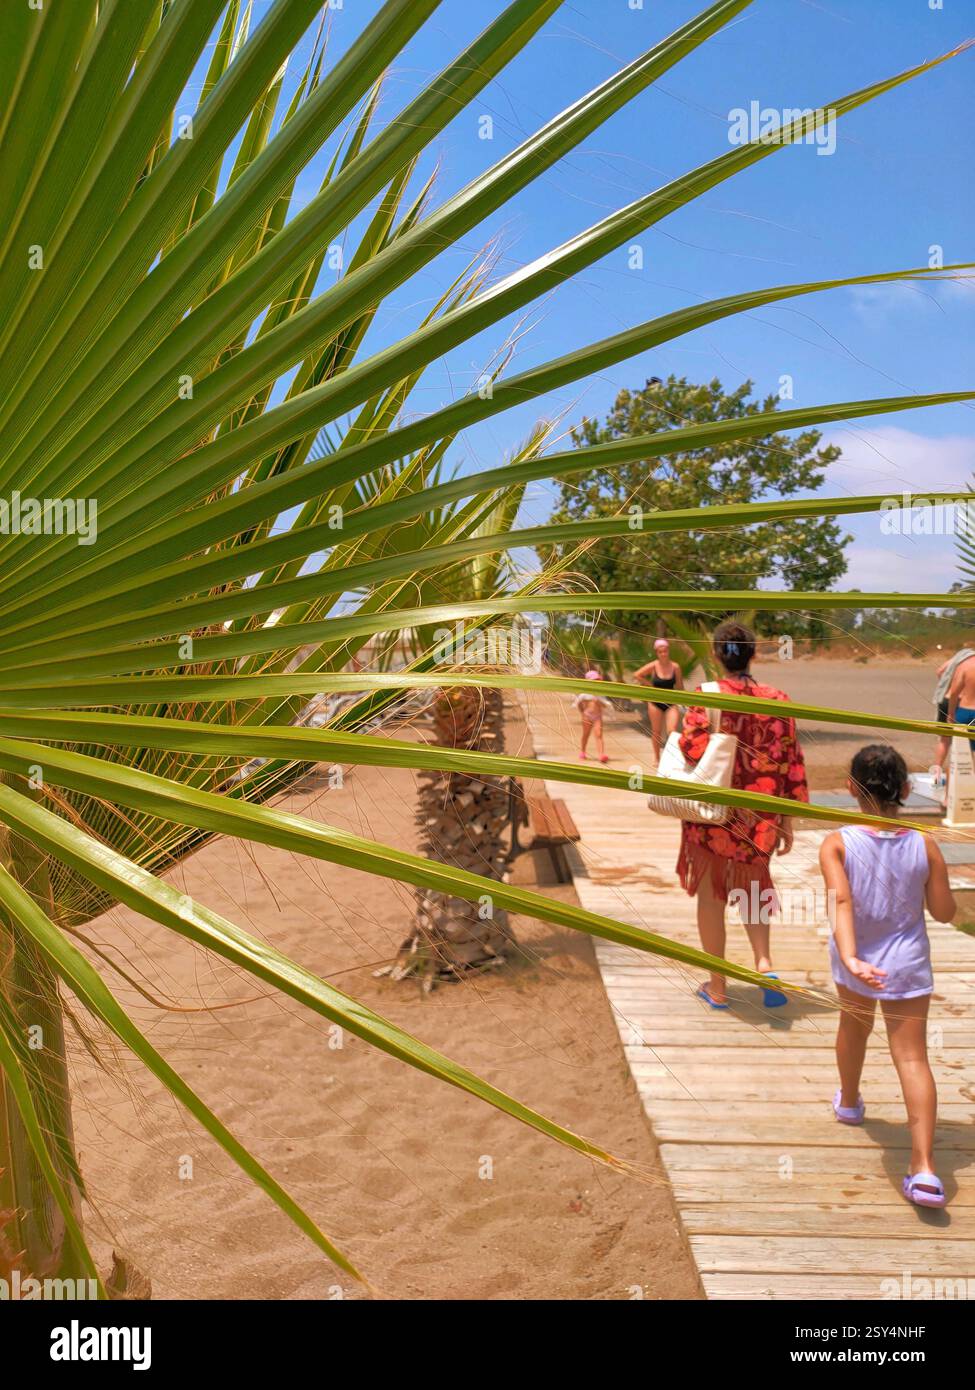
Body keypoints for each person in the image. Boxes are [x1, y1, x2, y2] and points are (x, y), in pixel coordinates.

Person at [819, 745, 955, 1208]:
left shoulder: (836, 842)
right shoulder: (925, 843)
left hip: (855, 958)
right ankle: (924, 1170)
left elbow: (841, 902)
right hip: (908, 962)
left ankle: (851, 1102)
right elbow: (942, 911)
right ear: (904, 790)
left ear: (850, 789)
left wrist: (853, 957)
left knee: (853, 1029)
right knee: (913, 1058)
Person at [675, 620, 808, 1009]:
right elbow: (792, 761)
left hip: (714, 815)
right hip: (760, 817)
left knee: (711, 898)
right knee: (753, 889)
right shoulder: (778, 699)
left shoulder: (707, 696)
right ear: (753, 654)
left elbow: (691, 749)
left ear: (717, 654)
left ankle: (717, 987)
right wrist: (787, 818)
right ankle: (764, 966)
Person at [633, 637, 684, 762]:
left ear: (668, 651)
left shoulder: (675, 667)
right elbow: (637, 674)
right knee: (656, 732)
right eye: (660, 652)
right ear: (657, 653)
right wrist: (649, 685)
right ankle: (657, 758)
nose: (663, 654)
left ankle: (672, 757)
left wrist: (685, 700)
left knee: (672, 731)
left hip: (671, 702)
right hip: (655, 702)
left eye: (665, 651)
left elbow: (680, 686)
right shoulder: (654, 665)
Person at [933, 646, 975, 777]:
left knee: (946, 742)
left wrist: (946, 686)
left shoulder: (962, 660)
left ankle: (936, 775)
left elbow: (940, 671)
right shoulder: (966, 662)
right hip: (962, 705)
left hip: (952, 702)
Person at [572, 667, 611, 763]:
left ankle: (601, 754)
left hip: (598, 716)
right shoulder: (585, 694)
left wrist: (599, 702)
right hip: (587, 716)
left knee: (599, 735)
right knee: (586, 734)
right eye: (594, 681)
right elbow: (579, 703)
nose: (596, 683)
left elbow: (605, 705)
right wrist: (582, 713)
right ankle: (583, 751)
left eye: (597, 680)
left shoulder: (600, 693)